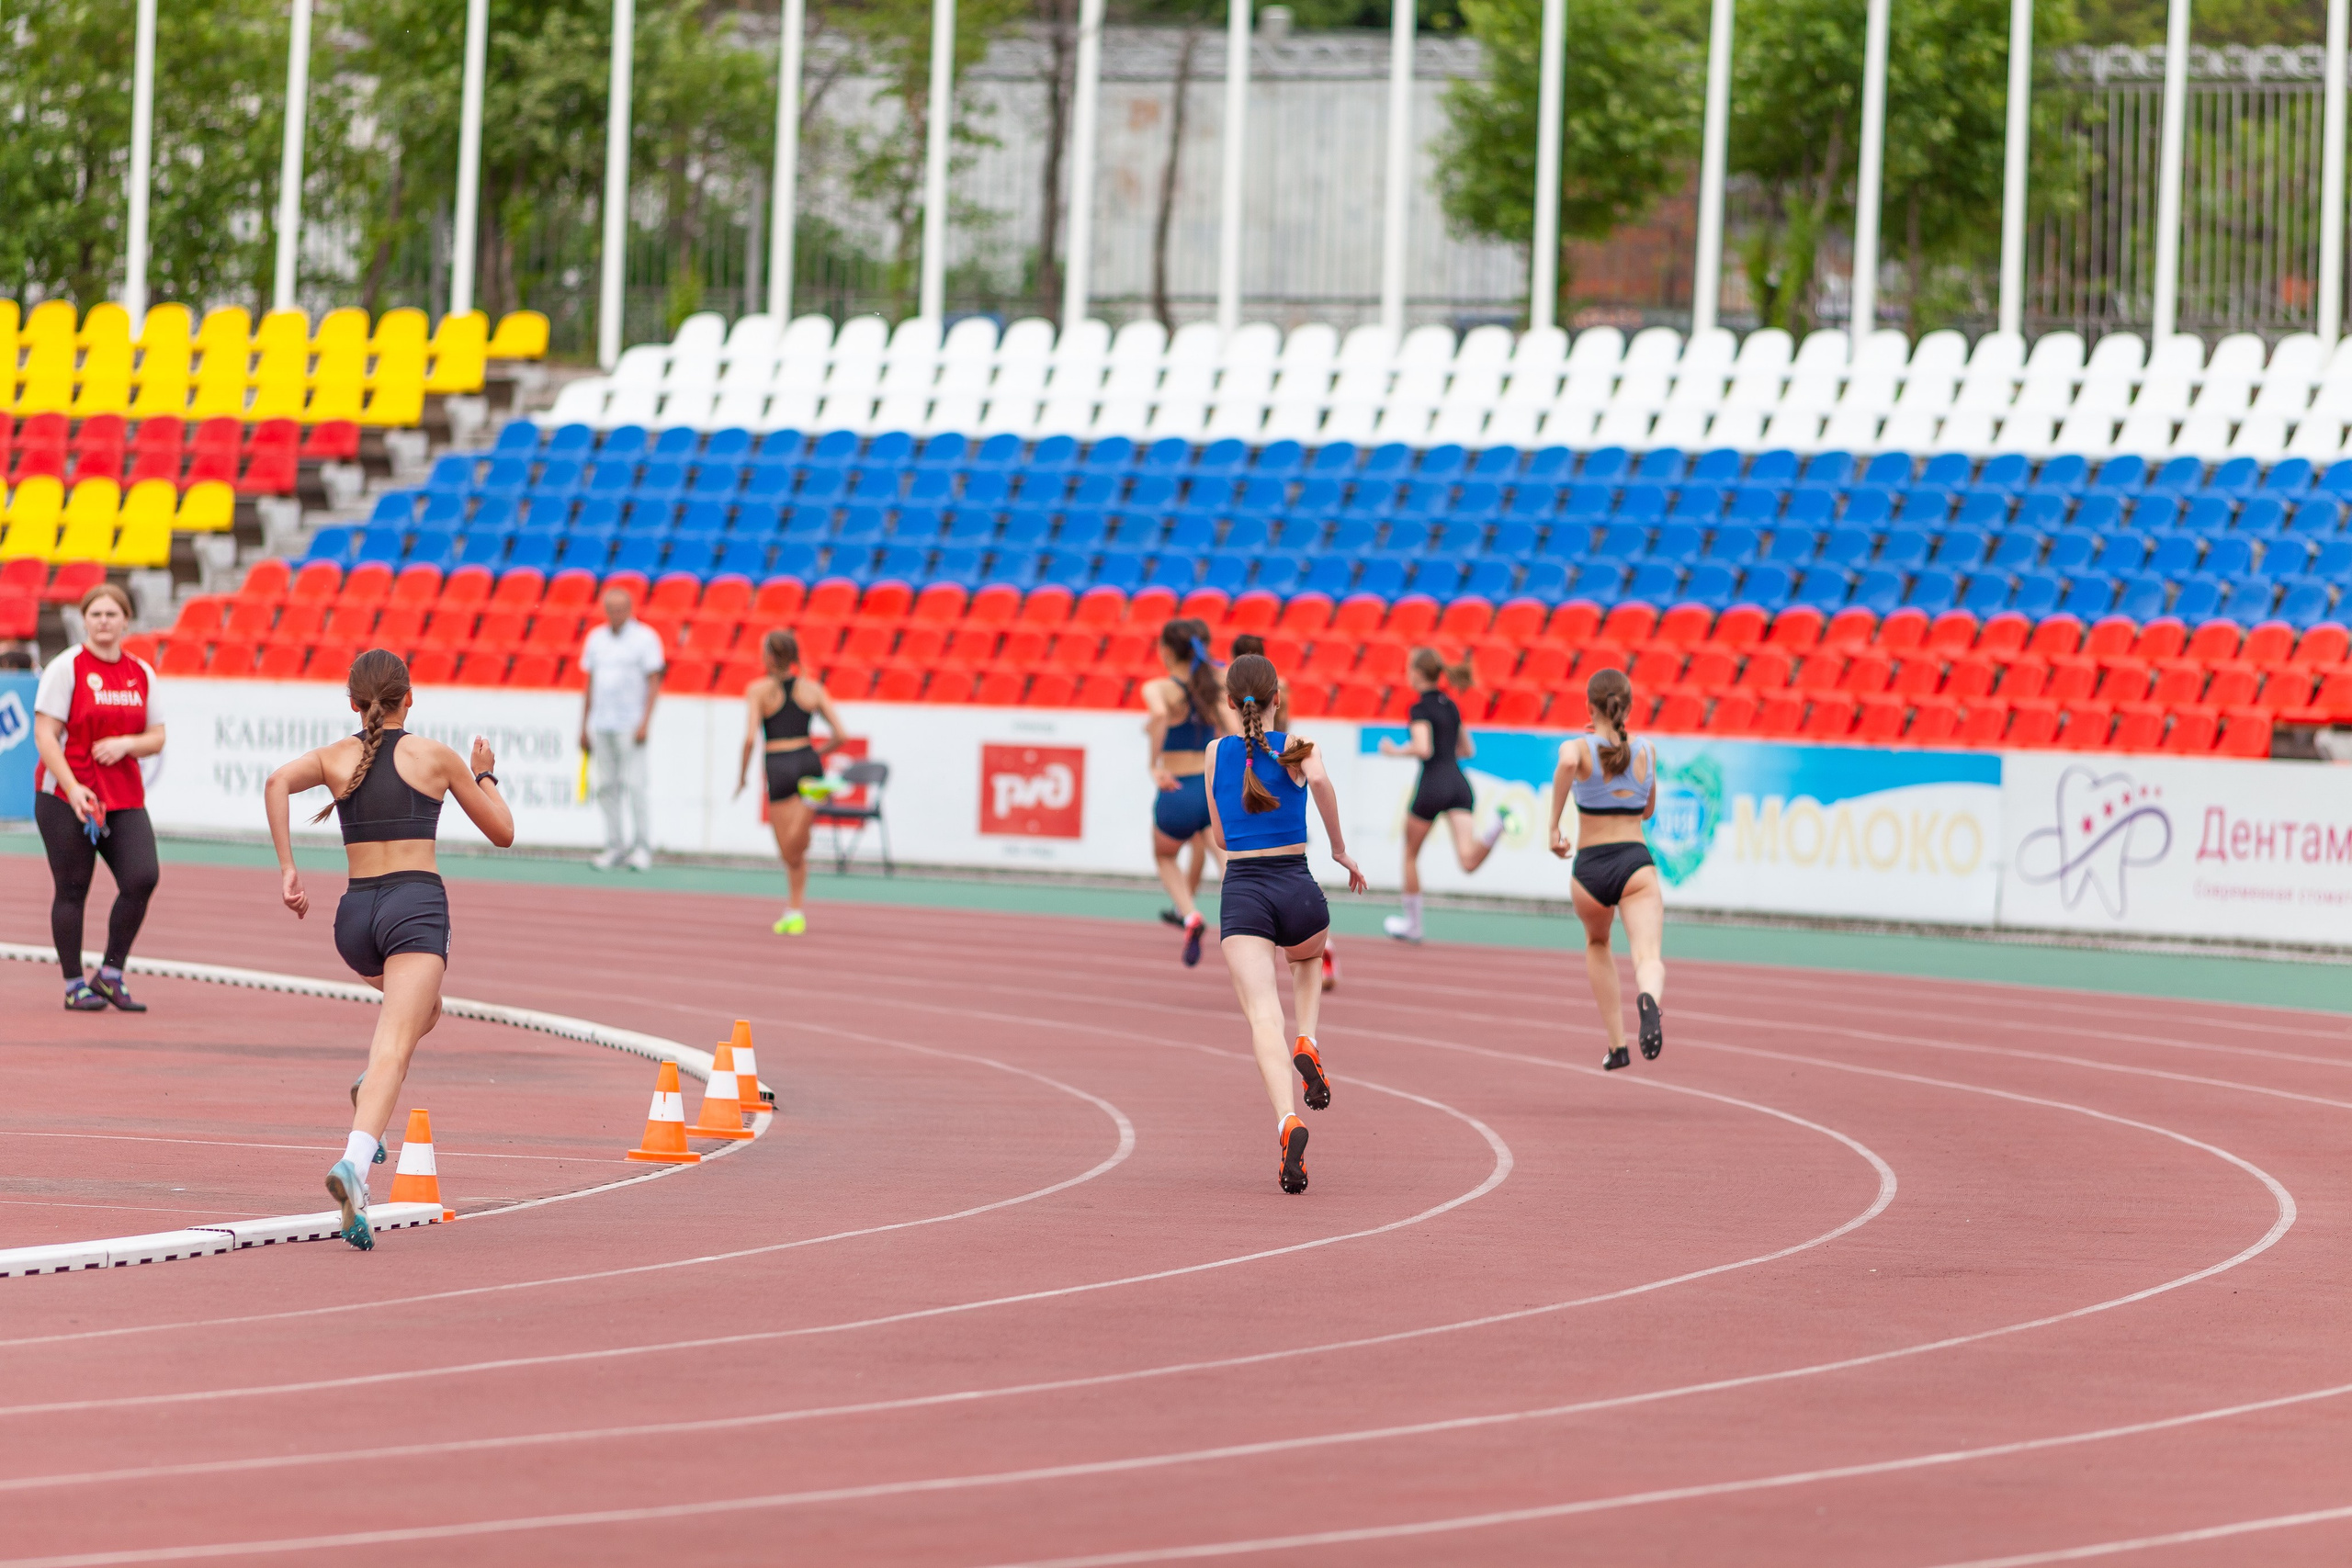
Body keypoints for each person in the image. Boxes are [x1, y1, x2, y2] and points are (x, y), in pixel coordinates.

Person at [264, 649, 514, 1249]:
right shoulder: (434, 756)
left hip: (356, 920)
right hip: (413, 909)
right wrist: (484, 774)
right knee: (393, 1046)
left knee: (427, 1011)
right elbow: (503, 831)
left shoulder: (335, 756)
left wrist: (288, 870)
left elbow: (276, 782)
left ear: (352, 702)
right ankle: (354, 1164)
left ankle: (366, 1091)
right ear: (411, 697)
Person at [1203, 653, 1366, 1195]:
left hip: (1244, 891)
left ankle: (1287, 1122)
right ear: (1278, 697)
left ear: (1230, 703)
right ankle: (1309, 1038)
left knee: (1260, 1018)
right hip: (1298, 886)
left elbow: (1222, 840)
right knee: (1306, 960)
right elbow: (1322, 787)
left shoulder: (1214, 754)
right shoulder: (1300, 748)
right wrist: (1340, 851)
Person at [31, 583, 164, 1011]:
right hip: (66, 794)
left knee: (142, 877)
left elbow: (157, 736)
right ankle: (74, 985)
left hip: (122, 795)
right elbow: (45, 735)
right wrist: (72, 788)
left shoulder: (141, 672)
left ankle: (109, 974)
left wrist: (126, 743)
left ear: (126, 620)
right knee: (72, 888)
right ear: (85, 620)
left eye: (112, 614)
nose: (103, 621)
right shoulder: (66, 667)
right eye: (95, 614)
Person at [1545, 668, 1666, 1072]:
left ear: (1589, 707)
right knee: (1647, 954)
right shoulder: (1646, 751)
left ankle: (1618, 1046)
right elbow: (1647, 811)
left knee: (1598, 943)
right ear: (1628, 707)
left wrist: (1554, 825)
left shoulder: (1577, 749)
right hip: (1634, 862)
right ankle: (1649, 999)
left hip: (1591, 869)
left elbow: (1565, 762)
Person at [1378, 648, 1518, 943]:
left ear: (1416, 673)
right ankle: (1495, 827)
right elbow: (1468, 750)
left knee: (1410, 855)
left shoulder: (1419, 708)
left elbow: (1424, 748)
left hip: (1432, 784)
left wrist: (1393, 751)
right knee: (1467, 861)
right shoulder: (1451, 706)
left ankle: (1413, 925)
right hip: (1458, 782)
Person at [1230, 630, 1337, 992]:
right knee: (1295, 874)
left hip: (1260, 765)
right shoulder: (1281, 691)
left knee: (1256, 878)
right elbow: (1281, 730)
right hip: (1284, 766)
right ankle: (1320, 947)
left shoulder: (1225, 738)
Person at [734, 629, 845, 936]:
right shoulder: (812, 689)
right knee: (799, 848)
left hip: (779, 763)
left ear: (769, 656)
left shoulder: (758, 690)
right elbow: (841, 734)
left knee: (788, 852)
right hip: (808, 761)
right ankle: (794, 912)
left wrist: (742, 776)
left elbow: (748, 739)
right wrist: (816, 753)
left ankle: (811, 803)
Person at [1143, 618, 1233, 966]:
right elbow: (1233, 729)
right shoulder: (1216, 683)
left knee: (1165, 856)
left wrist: (1154, 765)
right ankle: (1251, 917)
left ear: (1166, 650)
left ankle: (1190, 914)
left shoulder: (1159, 688)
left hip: (1177, 788)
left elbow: (1161, 715)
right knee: (1227, 861)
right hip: (1211, 788)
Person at [579, 588, 665, 871]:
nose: (615, 614)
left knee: (635, 785)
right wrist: (584, 724)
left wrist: (645, 721)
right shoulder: (596, 639)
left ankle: (642, 848)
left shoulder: (645, 638)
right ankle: (614, 845)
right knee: (606, 786)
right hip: (602, 723)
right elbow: (590, 683)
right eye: (610, 609)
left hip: (630, 724)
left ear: (629, 609)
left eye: (620, 608)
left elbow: (653, 682)